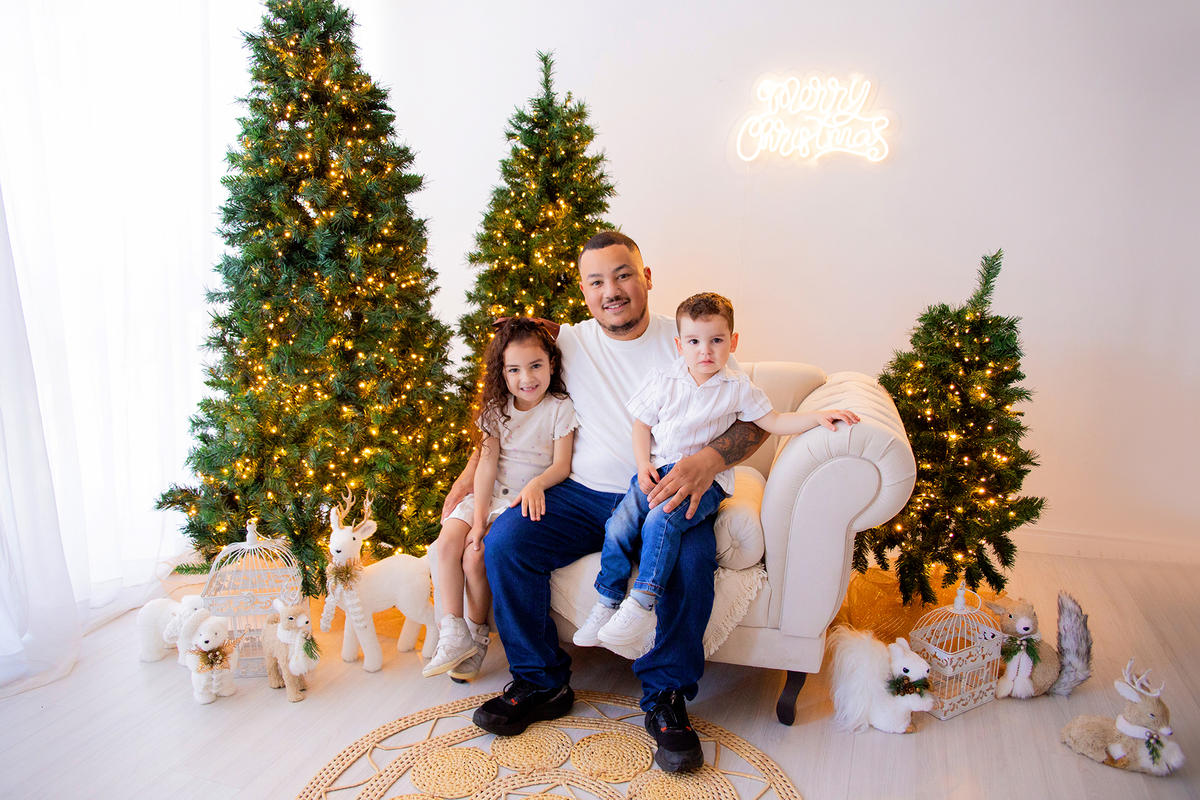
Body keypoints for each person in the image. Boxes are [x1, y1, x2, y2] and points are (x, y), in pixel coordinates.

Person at [443, 231, 775, 773]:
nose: (612, 290)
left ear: (646, 278)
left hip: (664, 492)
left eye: (623, 275)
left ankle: (666, 697)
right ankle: (540, 681)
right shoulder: (568, 342)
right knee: (506, 544)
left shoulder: (690, 339)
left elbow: (754, 420)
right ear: (583, 290)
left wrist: (710, 461)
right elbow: (509, 399)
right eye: (596, 281)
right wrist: (467, 474)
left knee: (691, 564)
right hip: (580, 494)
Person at [572, 292, 859, 650]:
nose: (705, 351)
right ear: (679, 344)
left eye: (716, 341)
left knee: (661, 520)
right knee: (618, 525)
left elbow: (775, 421)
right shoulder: (664, 379)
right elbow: (641, 425)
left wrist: (817, 417)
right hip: (657, 471)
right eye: (694, 341)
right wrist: (643, 463)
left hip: (707, 482)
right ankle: (608, 600)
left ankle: (644, 601)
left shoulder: (737, 388)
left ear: (732, 342)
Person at [423, 318, 577, 681]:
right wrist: (476, 520)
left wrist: (537, 484)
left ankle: (476, 637)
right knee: (448, 544)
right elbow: (486, 466)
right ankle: (453, 631)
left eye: (536, 366)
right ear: (502, 373)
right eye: (515, 370)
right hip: (486, 496)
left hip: (518, 502)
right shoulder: (496, 409)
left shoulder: (559, 407)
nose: (527, 378)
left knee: (476, 556)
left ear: (551, 364)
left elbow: (562, 465)